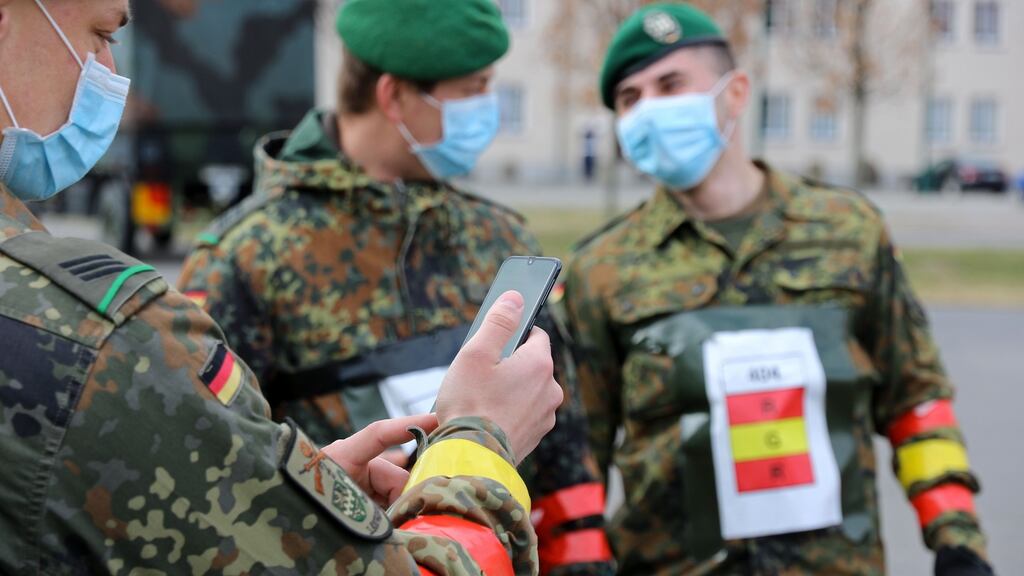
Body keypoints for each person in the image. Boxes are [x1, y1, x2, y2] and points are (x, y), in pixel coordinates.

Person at [0, 0, 566, 573]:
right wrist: (478, 442)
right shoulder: (115, 324)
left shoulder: (497, 231)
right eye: (99, 36)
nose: (113, 75)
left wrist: (299, 500)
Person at [176, 1, 614, 574]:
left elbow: (563, 446)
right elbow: (213, 480)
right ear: (394, 97)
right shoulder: (244, 256)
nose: (490, 109)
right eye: (473, 89)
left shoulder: (496, 234)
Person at [562, 3, 993, 575]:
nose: (649, 110)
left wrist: (956, 538)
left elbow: (916, 399)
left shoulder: (848, 231)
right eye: (629, 99)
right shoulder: (602, 269)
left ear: (735, 93)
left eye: (670, 85)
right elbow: (577, 453)